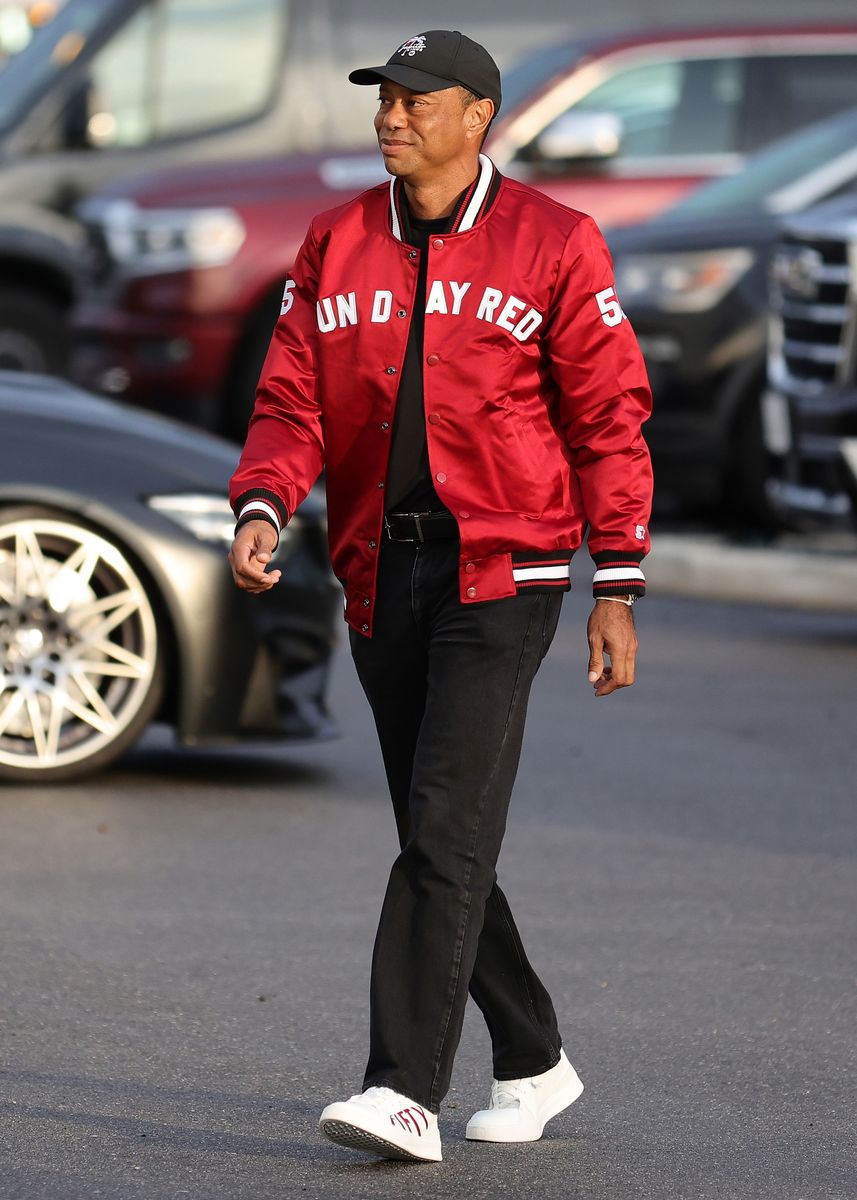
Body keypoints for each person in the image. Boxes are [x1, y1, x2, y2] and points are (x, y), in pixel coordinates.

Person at [228, 29, 653, 1164]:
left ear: (479, 116)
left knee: (443, 833)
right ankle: (532, 1053)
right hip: (379, 567)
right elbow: (289, 401)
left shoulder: (553, 243)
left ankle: (400, 1090)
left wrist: (617, 582)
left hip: (502, 574)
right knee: (441, 835)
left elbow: (607, 416)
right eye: (385, 97)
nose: (392, 115)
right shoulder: (334, 240)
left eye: (419, 100)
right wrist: (264, 502)